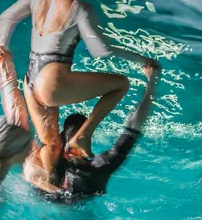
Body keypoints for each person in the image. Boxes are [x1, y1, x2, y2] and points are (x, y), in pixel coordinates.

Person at [0, 0, 159, 191]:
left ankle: (47, 184)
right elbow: (101, 51)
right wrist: (141, 60)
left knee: (51, 144)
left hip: (30, 81)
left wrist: (0, 46)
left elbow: (6, 18)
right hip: (52, 79)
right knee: (121, 84)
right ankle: (83, 135)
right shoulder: (81, 9)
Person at [50, 63, 160, 198]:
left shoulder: (52, 157)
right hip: (81, 210)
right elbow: (133, 128)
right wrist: (152, 83)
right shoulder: (101, 167)